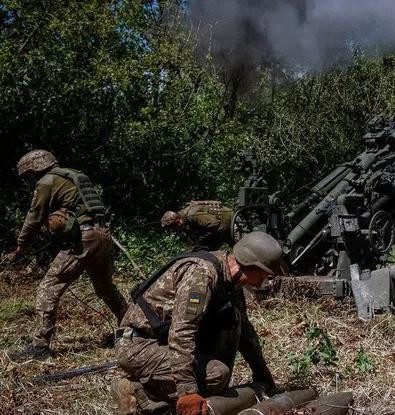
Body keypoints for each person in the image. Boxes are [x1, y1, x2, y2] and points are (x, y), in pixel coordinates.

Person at [112, 231, 282, 415]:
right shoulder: (202, 274)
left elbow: (245, 331)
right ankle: (138, 393)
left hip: (163, 340)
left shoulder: (230, 281)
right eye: (260, 277)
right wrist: (188, 391)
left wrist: (260, 370)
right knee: (216, 375)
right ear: (247, 265)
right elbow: (183, 331)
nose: (259, 284)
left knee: (233, 324)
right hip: (138, 344)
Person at [7, 150, 128, 359]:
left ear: (35, 167)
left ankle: (40, 346)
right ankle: (132, 329)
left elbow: (34, 216)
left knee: (48, 287)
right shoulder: (75, 175)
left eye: (29, 174)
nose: (30, 179)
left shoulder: (47, 181)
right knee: (105, 287)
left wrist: (21, 246)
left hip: (83, 240)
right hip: (102, 235)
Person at [161, 201, 234, 250]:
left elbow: (214, 223)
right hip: (221, 229)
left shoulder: (192, 215)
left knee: (240, 250)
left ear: (178, 222)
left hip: (231, 221)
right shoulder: (185, 223)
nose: (174, 230)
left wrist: (201, 240)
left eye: (174, 228)